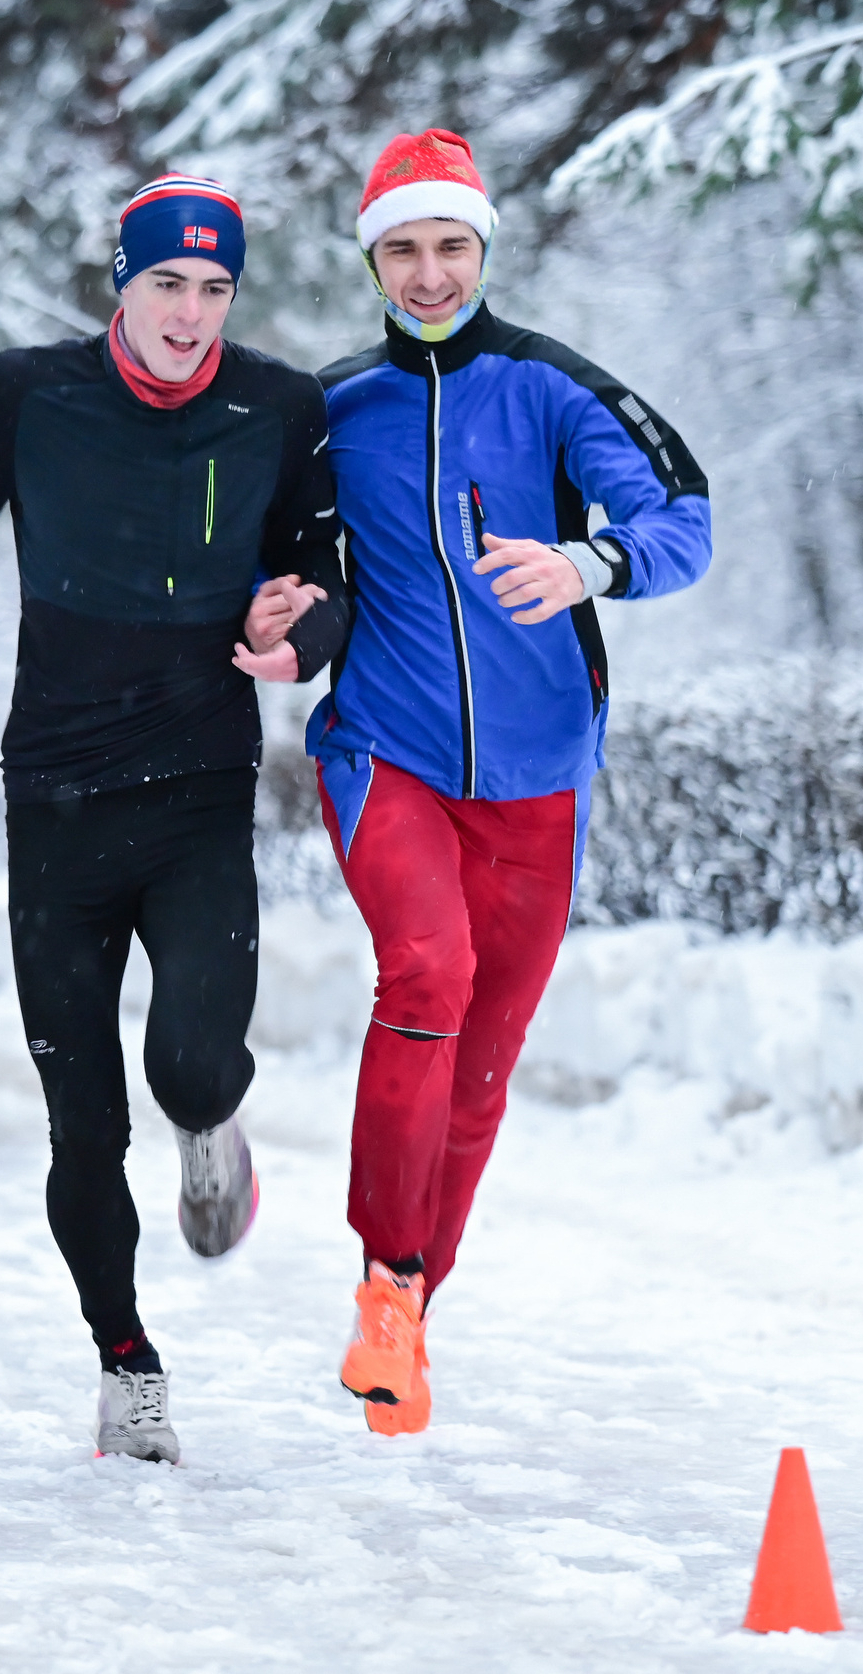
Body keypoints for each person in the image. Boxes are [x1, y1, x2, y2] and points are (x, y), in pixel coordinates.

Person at [0, 175, 348, 1463]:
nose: (189, 312)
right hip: (53, 794)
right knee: (82, 1123)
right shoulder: (32, 388)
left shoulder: (278, 407)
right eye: (166, 282)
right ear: (123, 281)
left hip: (200, 787)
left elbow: (319, 574)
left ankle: (213, 1129)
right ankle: (125, 1360)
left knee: (189, 1066)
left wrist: (300, 638)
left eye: (214, 288)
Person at [310, 129, 712, 1434]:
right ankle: (383, 1276)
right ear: (373, 257)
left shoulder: (549, 388)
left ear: (483, 249)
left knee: (482, 1062)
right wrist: (270, 619)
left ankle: (410, 1310)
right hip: (388, 754)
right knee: (426, 977)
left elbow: (681, 516)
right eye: (404, 250)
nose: (428, 273)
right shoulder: (336, 407)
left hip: (541, 782)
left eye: (450, 246)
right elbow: (273, 560)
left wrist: (588, 566)